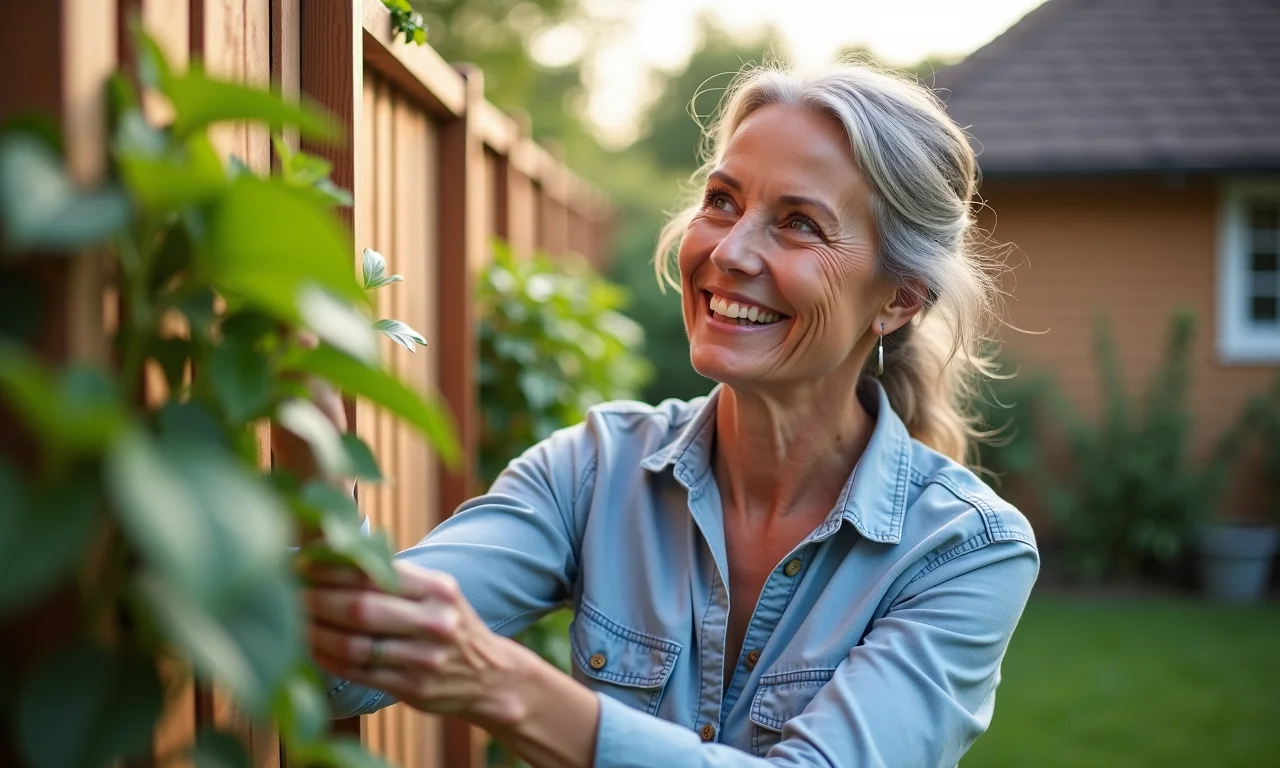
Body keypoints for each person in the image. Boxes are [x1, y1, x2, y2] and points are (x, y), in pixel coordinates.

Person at [291, 61, 1038, 767]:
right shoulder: (591, 469)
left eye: (799, 223)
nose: (730, 252)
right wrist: (312, 429)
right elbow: (341, 671)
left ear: (899, 298)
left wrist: (501, 684)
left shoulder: (966, 550)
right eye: (722, 202)